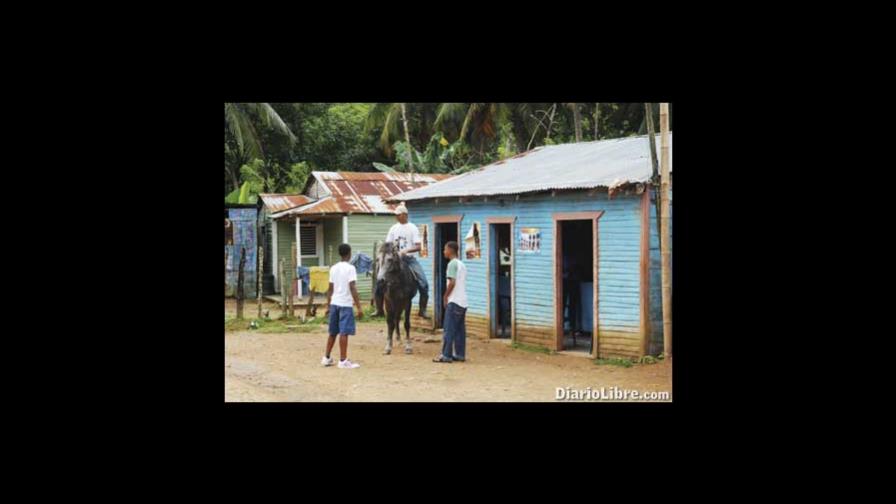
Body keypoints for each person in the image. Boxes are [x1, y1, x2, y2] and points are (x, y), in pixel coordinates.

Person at [374, 202, 431, 319]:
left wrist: (406, 251)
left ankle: (422, 309)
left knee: (424, 283)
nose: (396, 217)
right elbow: (388, 244)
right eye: (396, 215)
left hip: (409, 259)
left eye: (398, 214)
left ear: (405, 215)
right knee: (380, 280)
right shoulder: (393, 228)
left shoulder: (412, 228)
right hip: (394, 260)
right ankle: (379, 309)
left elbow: (418, 246)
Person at [321, 243, 364, 369]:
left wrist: (328, 305)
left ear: (339, 254)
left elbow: (330, 288)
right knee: (344, 332)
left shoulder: (333, 268)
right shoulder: (351, 268)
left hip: (334, 303)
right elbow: (352, 287)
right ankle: (343, 360)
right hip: (345, 304)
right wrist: (359, 307)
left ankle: (326, 358)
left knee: (333, 332)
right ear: (349, 254)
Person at [433, 241, 467, 363]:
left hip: (454, 301)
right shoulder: (462, 264)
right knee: (460, 330)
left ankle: (446, 355)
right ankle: (460, 354)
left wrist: (445, 296)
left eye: (445, 249)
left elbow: (452, 282)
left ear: (450, 250)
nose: (444, 252)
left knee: (448, 329)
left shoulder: (452, 264)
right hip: (463, 301)